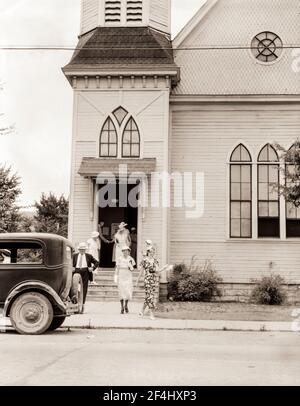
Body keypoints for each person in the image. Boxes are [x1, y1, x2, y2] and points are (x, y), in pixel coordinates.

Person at [136, 245, 170, 320]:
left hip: (153, 279)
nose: (152, 253)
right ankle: (151, 314)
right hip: (147, 279)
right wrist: (137, 280)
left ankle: (141, 311)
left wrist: (164, 268)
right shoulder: (144, 261)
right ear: (148, 252)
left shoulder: (155, 261)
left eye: (153, 252)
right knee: (150, 296)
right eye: (151, 251)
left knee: (148, 296)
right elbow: (141, 271)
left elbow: (157, 271)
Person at [73, 243, 99, 313]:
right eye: (81, 249)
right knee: (75, 288)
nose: (82, 251)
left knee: (84, 289)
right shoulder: (74, 255)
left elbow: (97, 262)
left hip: (85, 272)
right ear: (78, 250)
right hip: (76, 271)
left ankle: (82, 305)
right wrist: (72, 268)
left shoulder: (89, 256)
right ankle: (75, 304)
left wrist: (92, 268)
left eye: (83, 250)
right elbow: (69, 262)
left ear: (85, 250)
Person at [114, 246, 135, 314]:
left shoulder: (131, 259)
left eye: (127, 251)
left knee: (127, 290)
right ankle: (122, 307)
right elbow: (117, 268)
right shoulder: (119, 259)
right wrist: (116, 276)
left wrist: (130, 266)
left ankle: (126, 305)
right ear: (122, 251)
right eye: (124, 251)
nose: (125, 252)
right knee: (121, 290)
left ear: (129, 251)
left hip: (128, 275)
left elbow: (132, 269)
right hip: (121, 275)